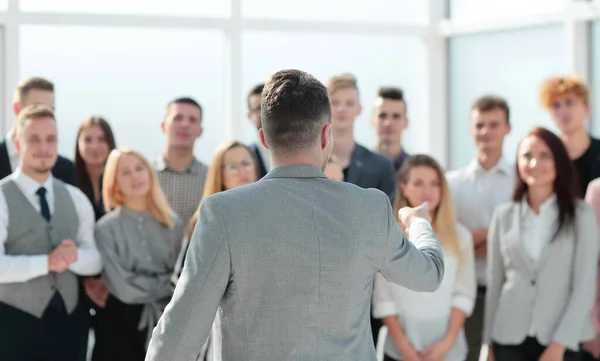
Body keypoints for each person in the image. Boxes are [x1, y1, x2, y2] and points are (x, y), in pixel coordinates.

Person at [145, 69, 445, 361]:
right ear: (326, 135)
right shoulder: (370, 208)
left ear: (264, 139)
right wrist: (418, 222)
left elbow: (179, 335)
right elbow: (429, 275)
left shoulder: (222, 212)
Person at [484, 127, 598, 361]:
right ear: (517, 162)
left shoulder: (582, 215)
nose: (535, 163)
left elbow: (584, 285)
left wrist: (558, 346)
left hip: (562, 341)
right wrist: (488, 344)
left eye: (545, 155)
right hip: (508, 339)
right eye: (527, 155)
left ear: (559, 161)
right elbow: (495, 282)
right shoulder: (503, 215)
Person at [0, 105, 102, 361]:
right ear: (18, 144)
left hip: (70, 327)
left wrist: (73, 257)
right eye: (34, 139)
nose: (43, 147)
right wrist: (47, 262)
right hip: (13, 326)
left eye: (51, 139)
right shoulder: (1, 196)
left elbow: (96, 259)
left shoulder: (76, 197)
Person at [374, 154, 476, 361]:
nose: (427, 191)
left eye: (434, 183)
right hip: (399, 350)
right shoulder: (388, 235)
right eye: (418, 183)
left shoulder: (461, 237)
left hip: (448, 350)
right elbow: (383, 298)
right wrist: (405, 348)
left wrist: (445, 345)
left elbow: (463, 294)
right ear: (404, 187)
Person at [91, 148, 184, 361]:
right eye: (125, 172)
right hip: (118, 330)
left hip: (167, 326)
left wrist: (164, 285)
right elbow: (124, 288)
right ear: (114, 182)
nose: (135, 176)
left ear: (149, 173)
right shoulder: (105, 229)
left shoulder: (173, 225)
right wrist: (165, 284)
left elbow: (181, 280)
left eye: (139, 168)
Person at [0, 77, 75, 184]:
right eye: (36, 108)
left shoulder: (66, 169)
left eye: (50, 110)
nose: (44, 115)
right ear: (17, 109)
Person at [540, 76, 600, 196]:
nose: (563, 111)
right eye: (556, 105)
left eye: (569, 102)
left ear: (586, 108)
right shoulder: (544, 155)